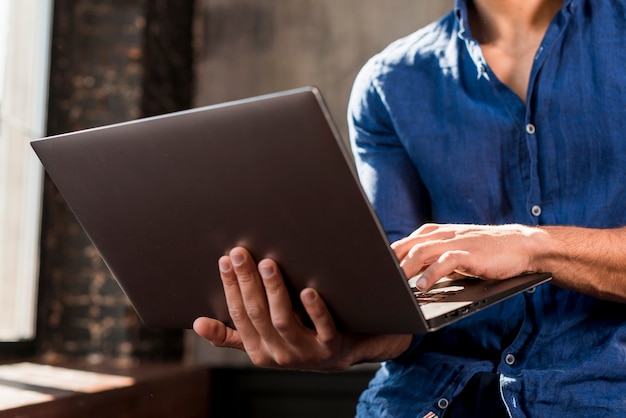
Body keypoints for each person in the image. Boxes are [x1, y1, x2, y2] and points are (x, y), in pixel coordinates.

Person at [194, 0, 626, 416]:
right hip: (425, 401)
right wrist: (344, 344)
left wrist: (534, 247)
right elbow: (406, 310)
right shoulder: (390, 82)